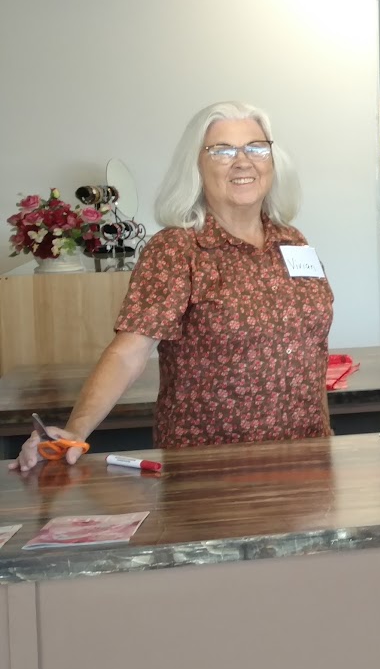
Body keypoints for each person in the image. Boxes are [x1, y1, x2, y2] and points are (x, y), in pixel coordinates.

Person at [11, 101, 334, 471]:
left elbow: (311, 349)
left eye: (256, 148)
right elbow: (129, 353)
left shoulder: (292, 241)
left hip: (308, 457)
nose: (242, 162)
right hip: (212, 467)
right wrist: (75, 429)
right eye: (222, 151)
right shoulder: (177, 249)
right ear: (196, 166)